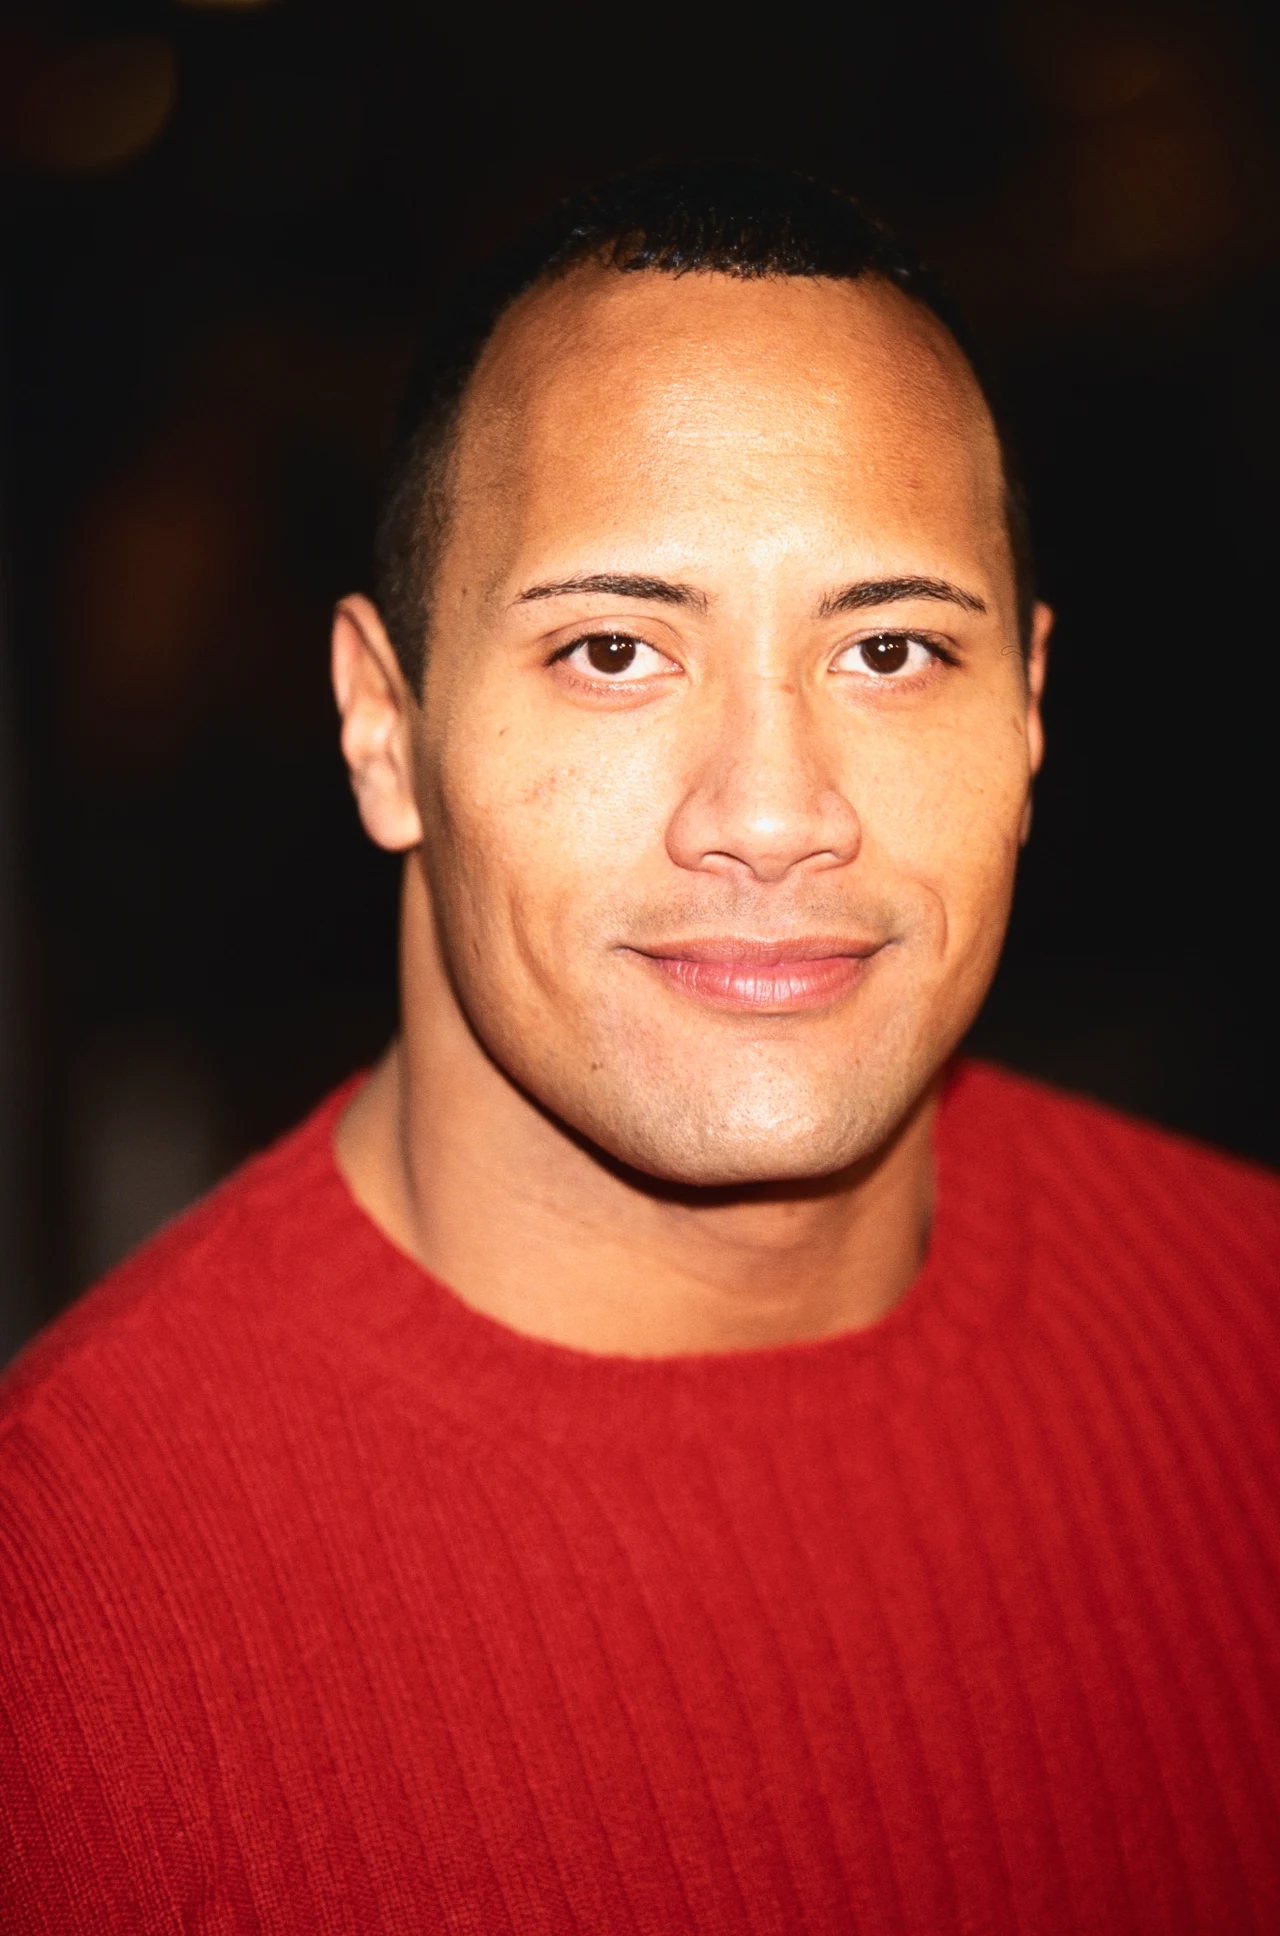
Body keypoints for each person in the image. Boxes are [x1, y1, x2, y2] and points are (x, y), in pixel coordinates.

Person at [2, 164, 1277, 1935]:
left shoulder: (1247, 1338)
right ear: (383, 727)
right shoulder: (65, 1634)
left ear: (1032, 712)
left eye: (891, 649)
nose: (772, 814)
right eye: (614, 650)